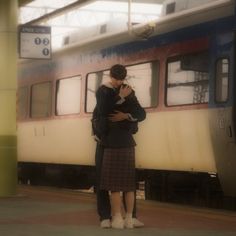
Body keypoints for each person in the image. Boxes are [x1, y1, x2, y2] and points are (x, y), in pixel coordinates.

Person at [92, 64, 146, 229]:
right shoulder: (103, 90)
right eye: (116, 79)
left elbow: (141, 113)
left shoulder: (128, 90)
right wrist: (120, 98)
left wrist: (127, 115)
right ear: (110, 76)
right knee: (103, 179)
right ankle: (105, 216)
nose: (118, 83)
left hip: (122, 139)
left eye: (121, 79)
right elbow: (102, 111)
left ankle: (130, 216)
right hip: (105, 139)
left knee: (126, 181)